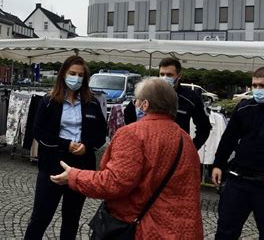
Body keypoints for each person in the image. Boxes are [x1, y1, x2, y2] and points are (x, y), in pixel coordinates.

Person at [51, 77, 203, 239]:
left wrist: (75, 176)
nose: (134, 105)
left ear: (145, 105)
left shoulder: (132, 134)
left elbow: (114, 183)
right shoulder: (185, 139)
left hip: (144, 230)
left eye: (136, 100)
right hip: (184, 230)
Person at [24, 55, 107, 240]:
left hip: (81, 168)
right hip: (53, 164)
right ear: (63, 74)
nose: (76, 78)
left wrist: (87, 145)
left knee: (71, 219)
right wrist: (66, 144)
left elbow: (101, 133)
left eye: (80, 75)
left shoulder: (92, 102)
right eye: (72, 73)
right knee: (40, 218)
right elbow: (38, 131)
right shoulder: (48, 101)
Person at [211, 66, 264, 239]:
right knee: (225, 232)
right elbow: (229, 139)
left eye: (263, 86)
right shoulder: (244, 107)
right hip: (237, 181)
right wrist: (218, 164)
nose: (258, 90)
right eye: (254, 85)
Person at [158, 58, 211, 149]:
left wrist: (191, 148)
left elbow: (204, 127)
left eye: (169, 75)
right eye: (162, 74)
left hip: (177, 152)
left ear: (179, 76)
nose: (165, 78)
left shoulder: (190, 98)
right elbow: (130, 112)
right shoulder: (150, 93)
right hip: (151, 149)